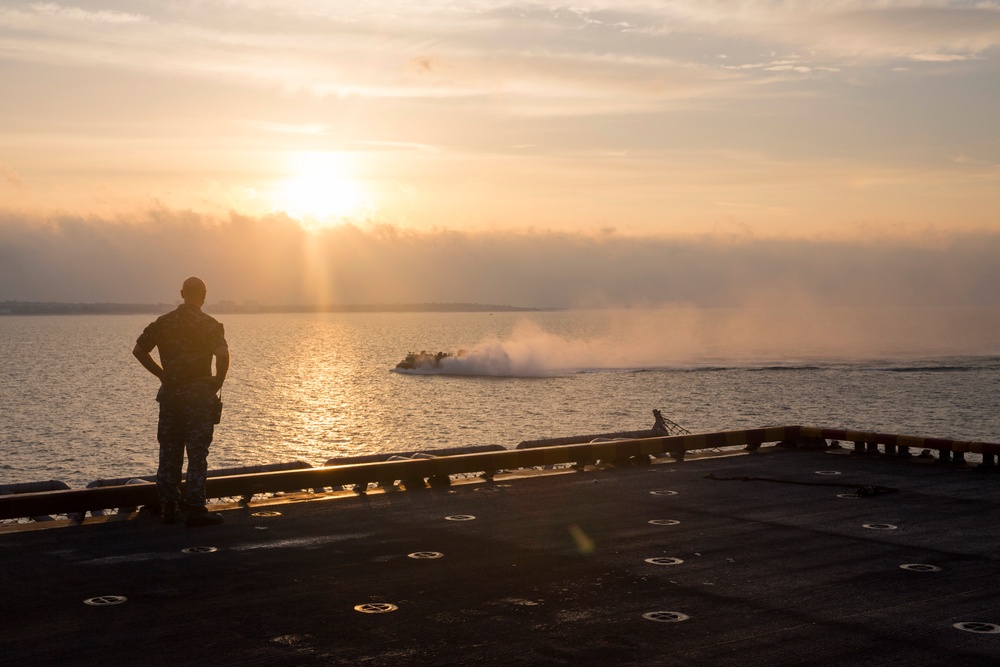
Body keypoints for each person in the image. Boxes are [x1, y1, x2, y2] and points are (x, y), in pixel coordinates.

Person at [133, 276, 230, 526]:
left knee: (169, 451)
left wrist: (162, 374)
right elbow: (222, 354)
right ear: (204, 295)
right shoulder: (209, 325)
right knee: (197, 453)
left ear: (182, 293)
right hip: (199, 397)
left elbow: (139, 351)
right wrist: (216, 381)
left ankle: (169, 507)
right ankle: (196, 508)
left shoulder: (163, 323)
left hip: (171, 396)